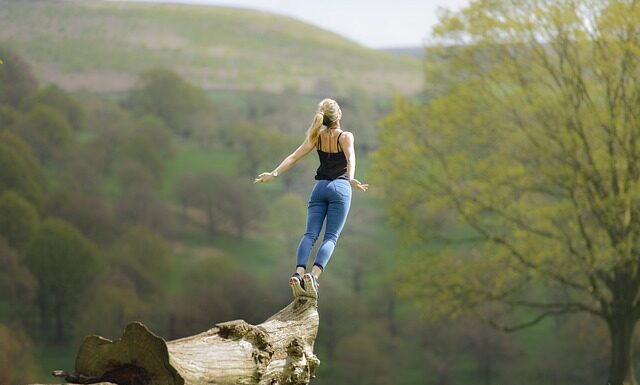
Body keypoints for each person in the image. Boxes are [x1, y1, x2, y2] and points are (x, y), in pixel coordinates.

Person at [254, 98, 368, 299]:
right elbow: (351, 158)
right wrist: (350, 179)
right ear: (338, 115)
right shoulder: (346, 136)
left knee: (309, 235)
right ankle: (313, 276)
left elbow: (293, 157)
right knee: (331, 237)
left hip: (319, 189)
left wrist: (274, 174)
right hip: (340, 188)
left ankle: (298, 273)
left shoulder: (317, 136)